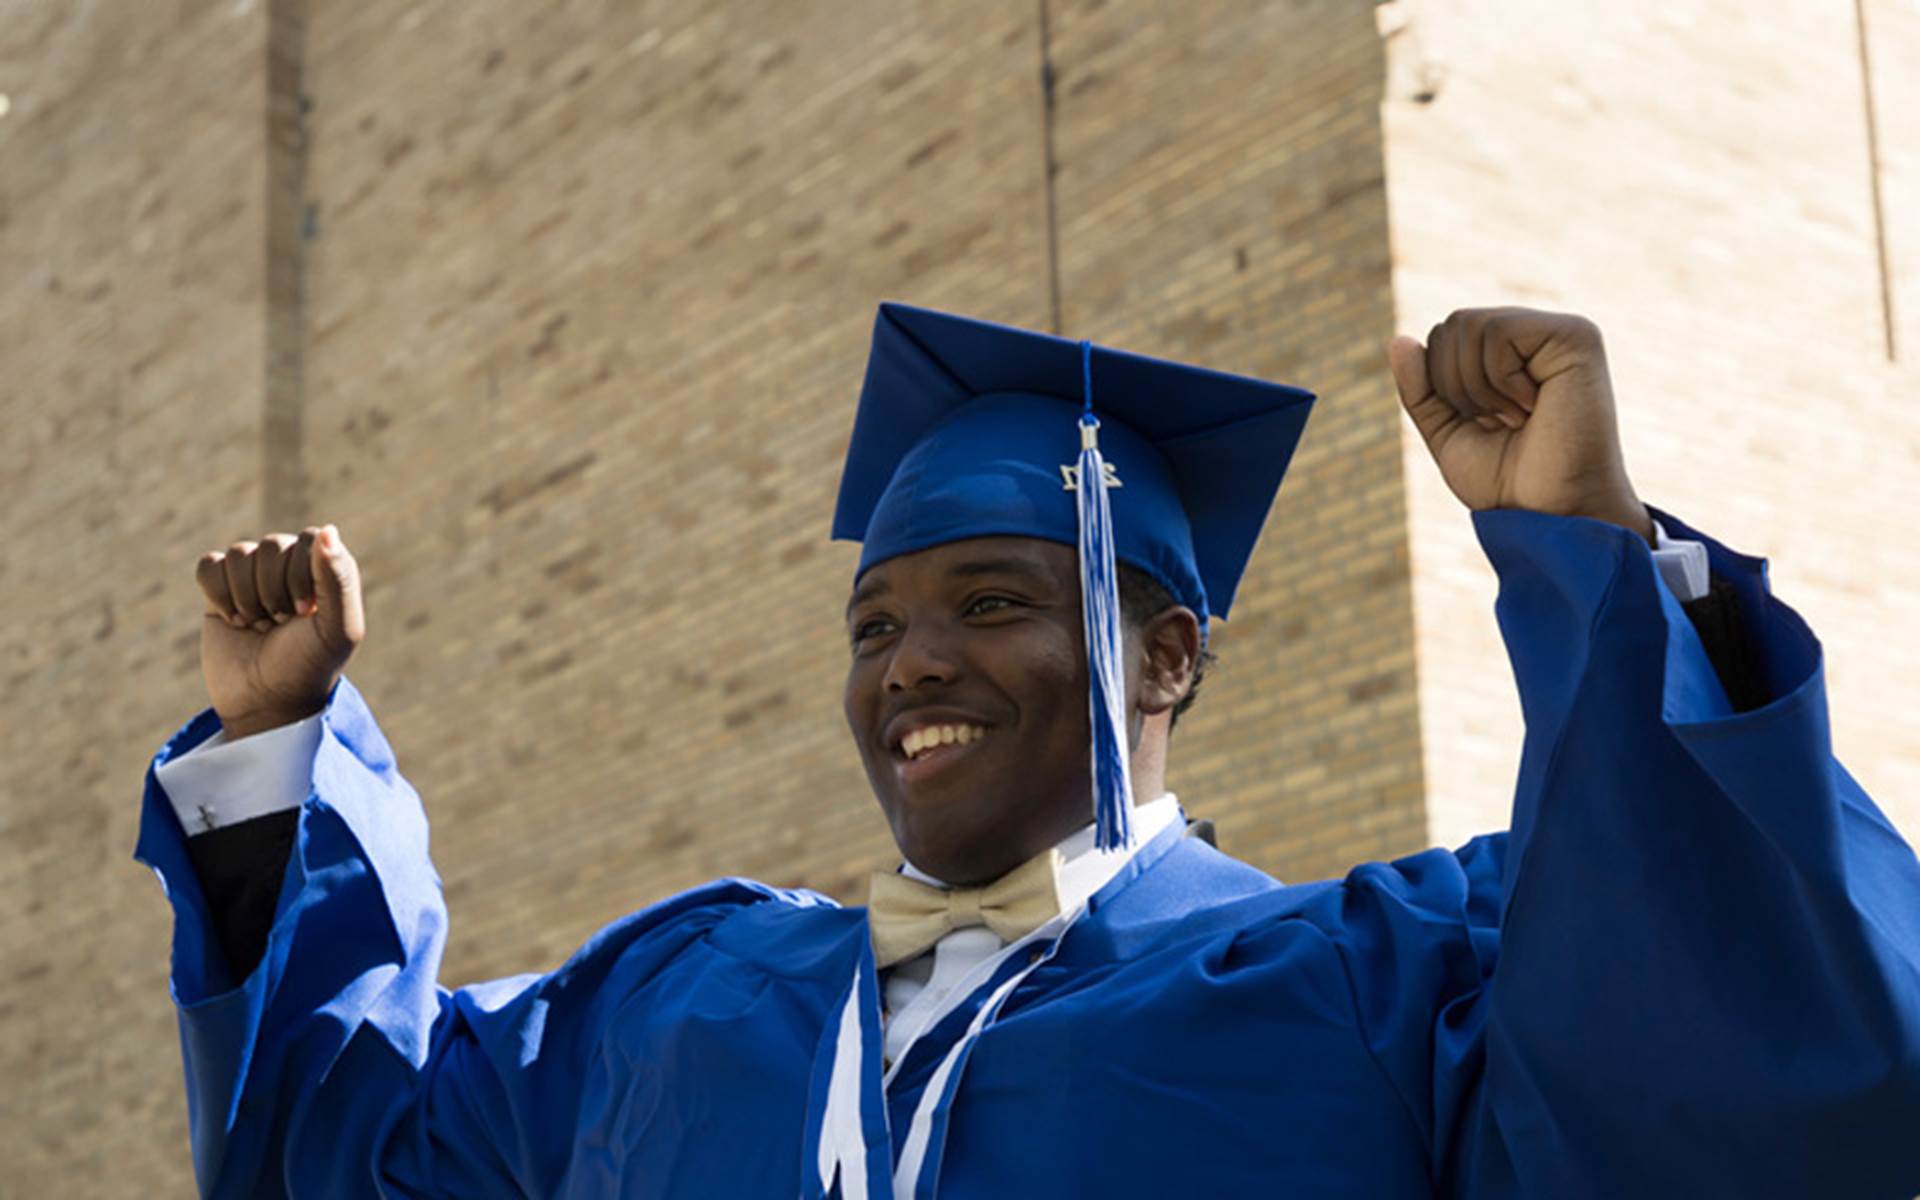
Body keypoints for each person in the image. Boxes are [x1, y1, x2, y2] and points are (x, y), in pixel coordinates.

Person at [138, 303, 1920, 1199]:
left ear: (1166, 652)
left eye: (994, 601)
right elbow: (335, 1152)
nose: (913, 661)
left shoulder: (1386, 990)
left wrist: (1595, 560)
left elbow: (1752, 1079)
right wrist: (275, 744)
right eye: (873, 623)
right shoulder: (675, 1001)